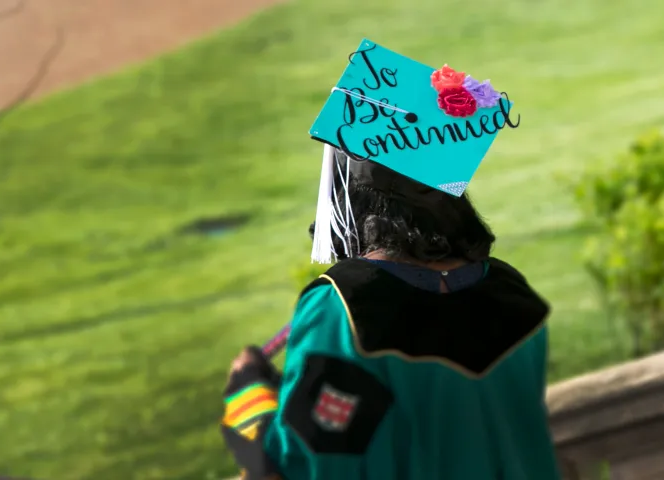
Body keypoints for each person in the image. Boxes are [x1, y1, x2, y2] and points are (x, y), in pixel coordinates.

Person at [219, 40, 556, 479]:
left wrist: (249, 394)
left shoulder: (345, 310)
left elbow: (302, 464)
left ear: (356, 191)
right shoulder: (513, 296)